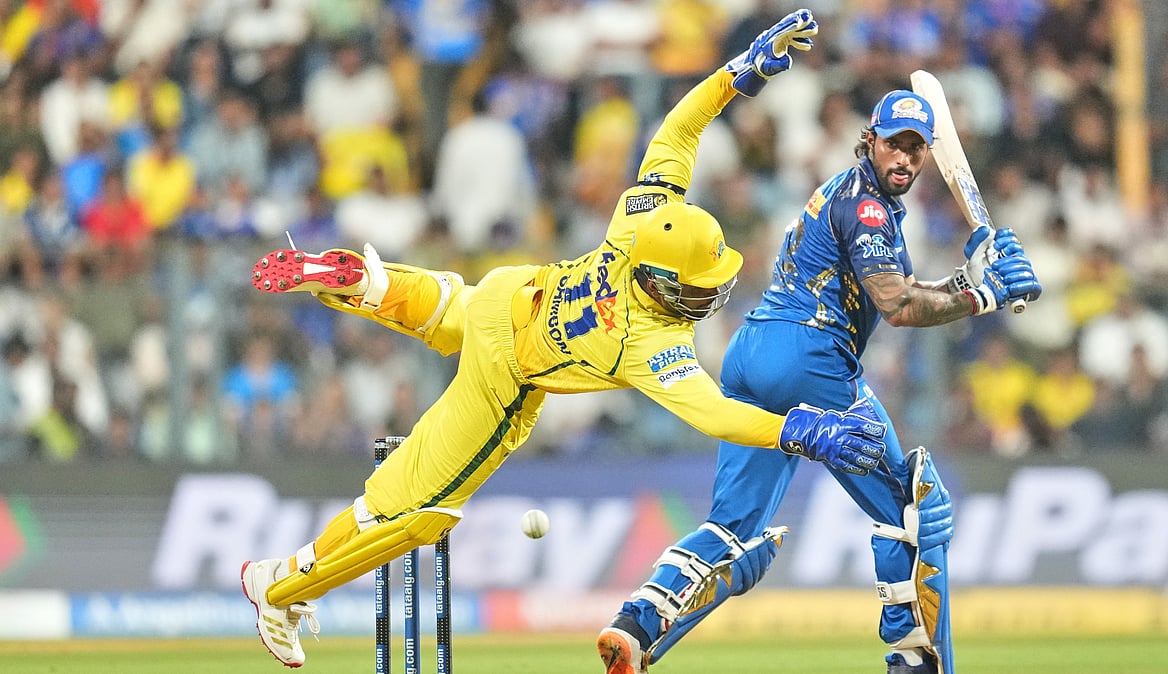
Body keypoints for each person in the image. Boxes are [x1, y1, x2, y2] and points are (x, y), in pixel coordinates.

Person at [238, 10, 889, 668]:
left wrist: (739, 72)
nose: (708, 299)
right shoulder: (644, 341)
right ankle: (280, 589)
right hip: (510, 373)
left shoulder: (641, 214)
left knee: (447, 306)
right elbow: (713, 412)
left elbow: (678, 129)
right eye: (696, 291)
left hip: (509, 295)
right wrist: (797, 431)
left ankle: (363, 283)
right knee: (418, 514)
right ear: (662, 283)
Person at [597, 61, 1044, 674]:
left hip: (753, 353)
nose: (906, 160)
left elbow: (901, 289)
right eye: (896, 145)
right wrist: (981, 298)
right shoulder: (868, 209)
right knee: (917, 512)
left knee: (734, 528)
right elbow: (899, 305)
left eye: (917, 149)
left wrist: (971, 278)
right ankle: (918, 664)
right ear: (871, 140)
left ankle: (637, 628)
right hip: (810, 358)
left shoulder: (846, 191)